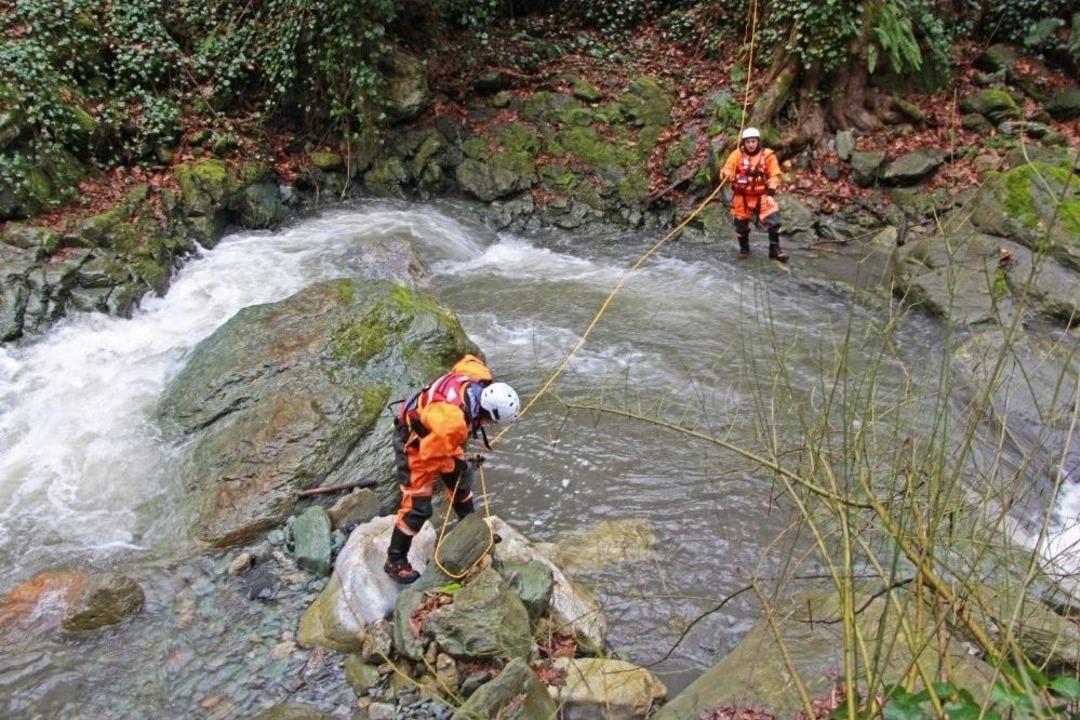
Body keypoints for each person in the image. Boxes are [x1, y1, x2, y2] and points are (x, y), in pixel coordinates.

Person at [385, 354, 520, 584]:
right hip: (414, 443)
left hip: (435, 435)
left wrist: (460, 466)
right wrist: (457, 463)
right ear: (487, 414)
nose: (489, 426)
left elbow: (469, 359)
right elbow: (432, 457)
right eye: (491, 423)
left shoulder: (477, 376)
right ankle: (395, 560)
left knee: (462, 475)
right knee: (417, 506)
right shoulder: (453, 422)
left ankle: (471, 531)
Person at [718, 127, 788, 262]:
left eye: (753, 141)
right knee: (741, 225)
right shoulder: (736, 155)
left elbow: (774, 175)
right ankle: (744, 249)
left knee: (774, 221)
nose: (750, 145)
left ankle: (775, 249)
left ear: (758, 142)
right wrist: (727, 174)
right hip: (742, 196)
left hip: (762, 194)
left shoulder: (767, 155)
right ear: (743, 142)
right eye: (748, 142)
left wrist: (770, 194)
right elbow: (726, 169)